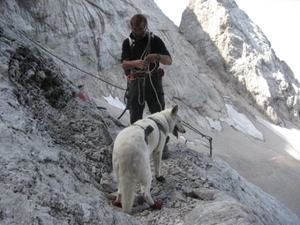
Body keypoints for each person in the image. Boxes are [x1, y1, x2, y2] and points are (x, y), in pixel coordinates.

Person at [121, 14, 172, 159]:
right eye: (136, 29)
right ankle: (137, 144)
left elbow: (168, 60)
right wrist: (135, 63)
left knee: (158, 112)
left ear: (146, 26)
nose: (138, 32)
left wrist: (157, 56)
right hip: (136, 80)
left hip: (153, 78)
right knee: (135, 113)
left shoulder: (154, 41)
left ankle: (162, 145)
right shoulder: (128, 43)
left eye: (141, 29)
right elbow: (124, 63)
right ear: (132, 28)